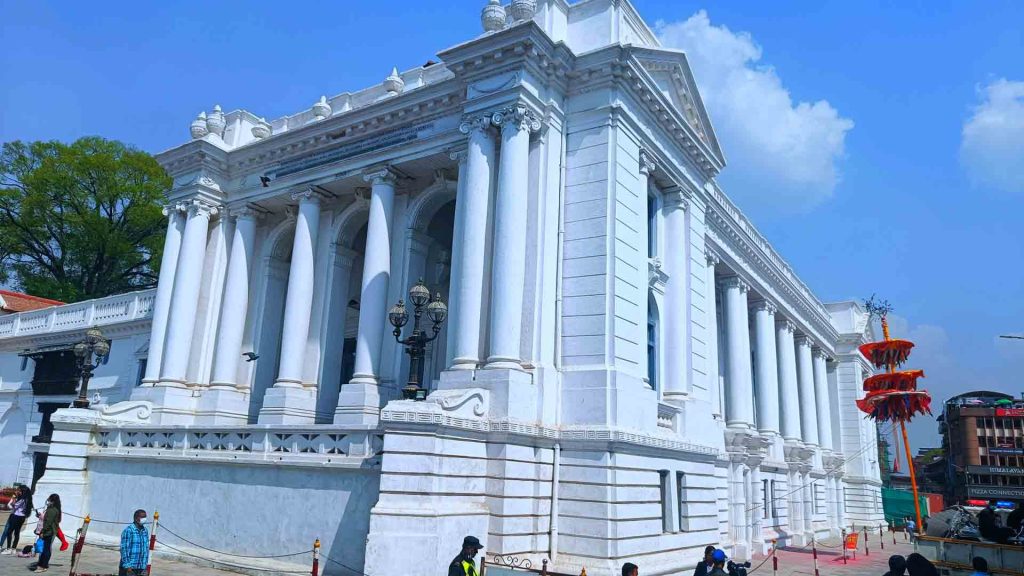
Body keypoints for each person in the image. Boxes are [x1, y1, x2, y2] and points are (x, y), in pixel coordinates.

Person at [0, 485, 32, 554]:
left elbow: (14, 506)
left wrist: (13, 498)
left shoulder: (22, 500)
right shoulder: (27, 499)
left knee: (9, 531)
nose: (19, 492)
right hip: (22, 517)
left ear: (23, 492)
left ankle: (9, 548)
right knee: (17, 533)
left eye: (20, 491)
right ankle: (13, 548)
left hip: (16, 516)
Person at [33, 493, 61, 573]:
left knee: (46, 549)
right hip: (48, 531)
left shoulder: (52, 510)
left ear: (52, 501)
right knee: (45, 549)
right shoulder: (51, 509)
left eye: (49, 499)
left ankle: (43, 565)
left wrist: (42, 531)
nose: (47, 501)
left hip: (49, 532)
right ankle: (41, 564)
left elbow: (48, 522)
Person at [119, 509, 150, 576]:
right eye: (142, 517)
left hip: (141, 568)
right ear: (136, 518)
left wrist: (145, 566)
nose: (144, 519)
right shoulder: (129, 531)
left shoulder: (145, 531)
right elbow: (124, 549)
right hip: (129, 568)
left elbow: (146, 549)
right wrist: (128, 567)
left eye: (145, 517)